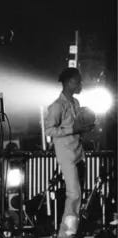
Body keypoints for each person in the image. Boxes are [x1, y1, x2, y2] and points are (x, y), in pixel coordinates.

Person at [45, 67, 94, 237]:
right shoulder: (57, 106)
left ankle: (72, 231)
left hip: (78, 153)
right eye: (78, 81)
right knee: (74, 194)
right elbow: (49, 130)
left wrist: (84, 128)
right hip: (66, 155)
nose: (81, 84)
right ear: (69, 82)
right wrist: (73, 128)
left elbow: (75, 128)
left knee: (78, 195)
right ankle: (66, 234)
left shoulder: (75, 103)